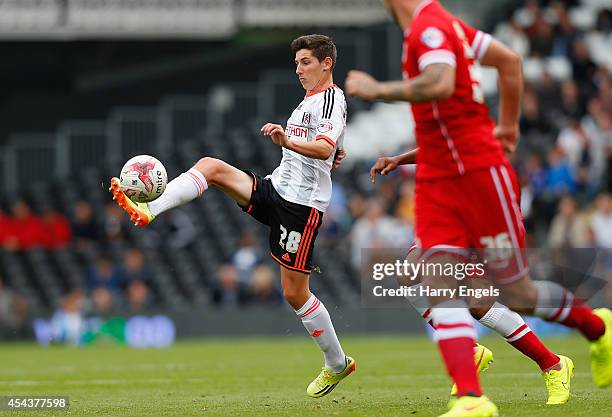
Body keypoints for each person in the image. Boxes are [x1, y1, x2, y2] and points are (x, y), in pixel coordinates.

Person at [346, 1, 611, 416]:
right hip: (439, 182)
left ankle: (589, 334)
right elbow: (504, 63)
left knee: (511, 295)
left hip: (480, 178)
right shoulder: (444, 27)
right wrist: (407, 158)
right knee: (430, 279)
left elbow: (439, 83)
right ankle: (472, 394)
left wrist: (378, 90)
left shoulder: (429, 28)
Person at [109, 34, 354, 397]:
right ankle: (150, 208)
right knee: (211, 167)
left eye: (305, 62)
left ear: (326, 63)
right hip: (276, 188)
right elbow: (326, 144)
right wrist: (328, 150)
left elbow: (322, 146)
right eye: (297, 62)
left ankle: (337, 363)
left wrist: (292, 142)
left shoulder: (331, 98)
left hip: (301, 208)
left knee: (294, 293)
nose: (298, 69)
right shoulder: (311, 100)